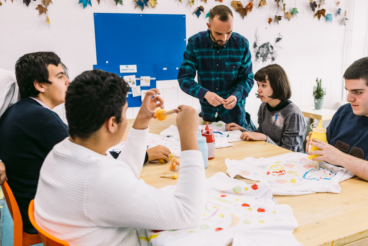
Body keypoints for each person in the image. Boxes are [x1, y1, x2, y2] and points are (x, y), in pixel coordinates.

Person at [0, 52, 170, 234]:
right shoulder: (39, 118)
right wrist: (144, 154)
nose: (68, 81)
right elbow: (93, 159)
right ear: (39, 85)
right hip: (45, 217)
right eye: (60, 76)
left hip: (36, 207)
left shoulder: (21, 111)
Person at [34, 70, 206, 246]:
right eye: (124, 114)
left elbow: (121, 176)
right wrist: (188, 135)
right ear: (111, 124)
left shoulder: (62, 150)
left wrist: (141, 121)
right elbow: (188, 213)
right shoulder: (100, 180)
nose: (126, 119)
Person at [307, 57, 368, 187]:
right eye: (348, 91)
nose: (349, 98)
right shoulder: (344, 111)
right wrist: (317, 147)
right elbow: (328, 152)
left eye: (357, 92)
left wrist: (341, 158)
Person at [178, 5, 256, 130]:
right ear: (209, 26)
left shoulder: (241, 44)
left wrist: (236, 96)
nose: (224, 38)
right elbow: (184, 79)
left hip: (235, 115)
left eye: (228, 33)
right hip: (208, 114)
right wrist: (205, 94)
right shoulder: (195, 43)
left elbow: (247, 78)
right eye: (218, 33)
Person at [226, 64, 307, 152]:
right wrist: (242, 130)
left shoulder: (293, 114)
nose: (258, 90)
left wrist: (265, 138)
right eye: (258, 85)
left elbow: (290, 151)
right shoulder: (264, 106)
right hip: (269, 156)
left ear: (277, 86)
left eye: (263, 85)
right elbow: (261, 132)